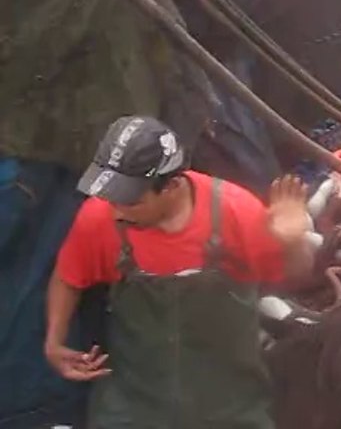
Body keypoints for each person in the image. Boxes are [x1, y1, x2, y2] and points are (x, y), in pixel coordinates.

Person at [44, 116, 315, 429]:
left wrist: (292, 243)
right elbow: (68, 276)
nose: (116, 211)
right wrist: (54, 340)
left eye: (132, 201)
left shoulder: (235, 211)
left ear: (171, 185)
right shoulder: (100, 217)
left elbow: (297, 277)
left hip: (230, 406)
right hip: (133, 406)